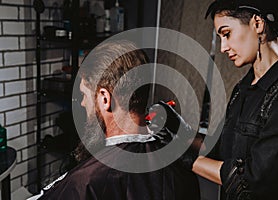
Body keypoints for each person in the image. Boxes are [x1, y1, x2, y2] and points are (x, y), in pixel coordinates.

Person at [153, 0, 278, 199]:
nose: (223, 47)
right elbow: (220, 151)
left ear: (257, 24)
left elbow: (251, 180)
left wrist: (185, 158)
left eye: (227, 34)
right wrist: (181, 130)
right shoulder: (244, 89)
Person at [29, 40, 200, 200]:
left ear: (104, 98)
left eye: (84, 95)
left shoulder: (85, 181)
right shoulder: (180, 168)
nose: (82, 103)